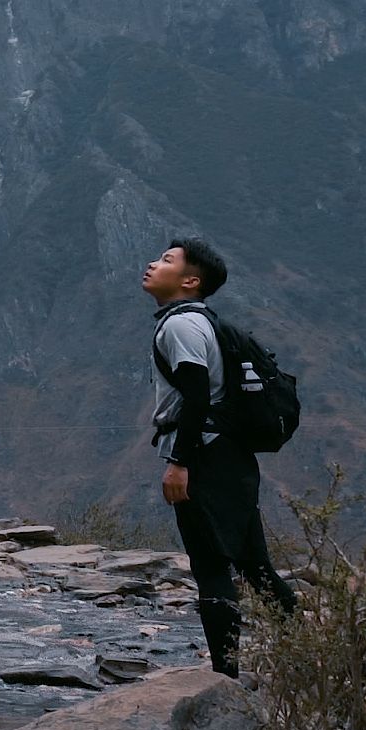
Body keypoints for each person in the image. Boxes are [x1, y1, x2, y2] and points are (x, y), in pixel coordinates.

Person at [143, 237, 295, 676]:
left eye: (166, 260)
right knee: (253, 564)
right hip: (232, 456)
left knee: (210, 566)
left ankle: (224, 677)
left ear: (190, 281)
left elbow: (195, 397)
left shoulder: (180, 326)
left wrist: (180, 463)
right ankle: (310, 654)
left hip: (205, 456)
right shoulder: (202, 322)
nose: (153, 264)